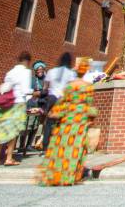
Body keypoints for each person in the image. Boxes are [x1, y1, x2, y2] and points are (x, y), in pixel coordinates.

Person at [39, 57, 97, 187]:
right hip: (80, 119)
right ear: (86, 71)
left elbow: (62, 101)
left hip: (68, 118)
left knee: (63, 146)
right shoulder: (87, 87)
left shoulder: (69, 86)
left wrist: (55, 112)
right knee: (76, 147)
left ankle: (56, 174)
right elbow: (90, 105)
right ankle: (71, 176)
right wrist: (91, 117)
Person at [0, 51, 32, 165]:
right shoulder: (26, 72)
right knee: (13, 131)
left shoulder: (10, 72)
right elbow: (26, 90)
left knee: (1, 129)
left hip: (6, 104)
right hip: (18, 103)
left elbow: (4, 88)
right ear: (27, 61)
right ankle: (9, 158)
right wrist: (35, 92)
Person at [42, 53, 75, 153]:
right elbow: (71, 88)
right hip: (63, 99)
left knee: (49, 123)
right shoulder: (70, 73)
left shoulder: (51, 71)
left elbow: (45, 87)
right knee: (62, 123)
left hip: (51, 98)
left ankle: (45, 147)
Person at [18, 60, 48, 155]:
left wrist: (41, 92)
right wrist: (36, 92)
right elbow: (29, 91)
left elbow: (46, 91)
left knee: (35, 126)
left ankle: (29, 145)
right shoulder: (32, 80)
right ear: (35, 71)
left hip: (42, 104)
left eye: (41, 69)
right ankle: (22, 145)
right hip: (32, 103)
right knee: (27, 125)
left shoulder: (46, 80)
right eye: (38, 70)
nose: (40, 71)